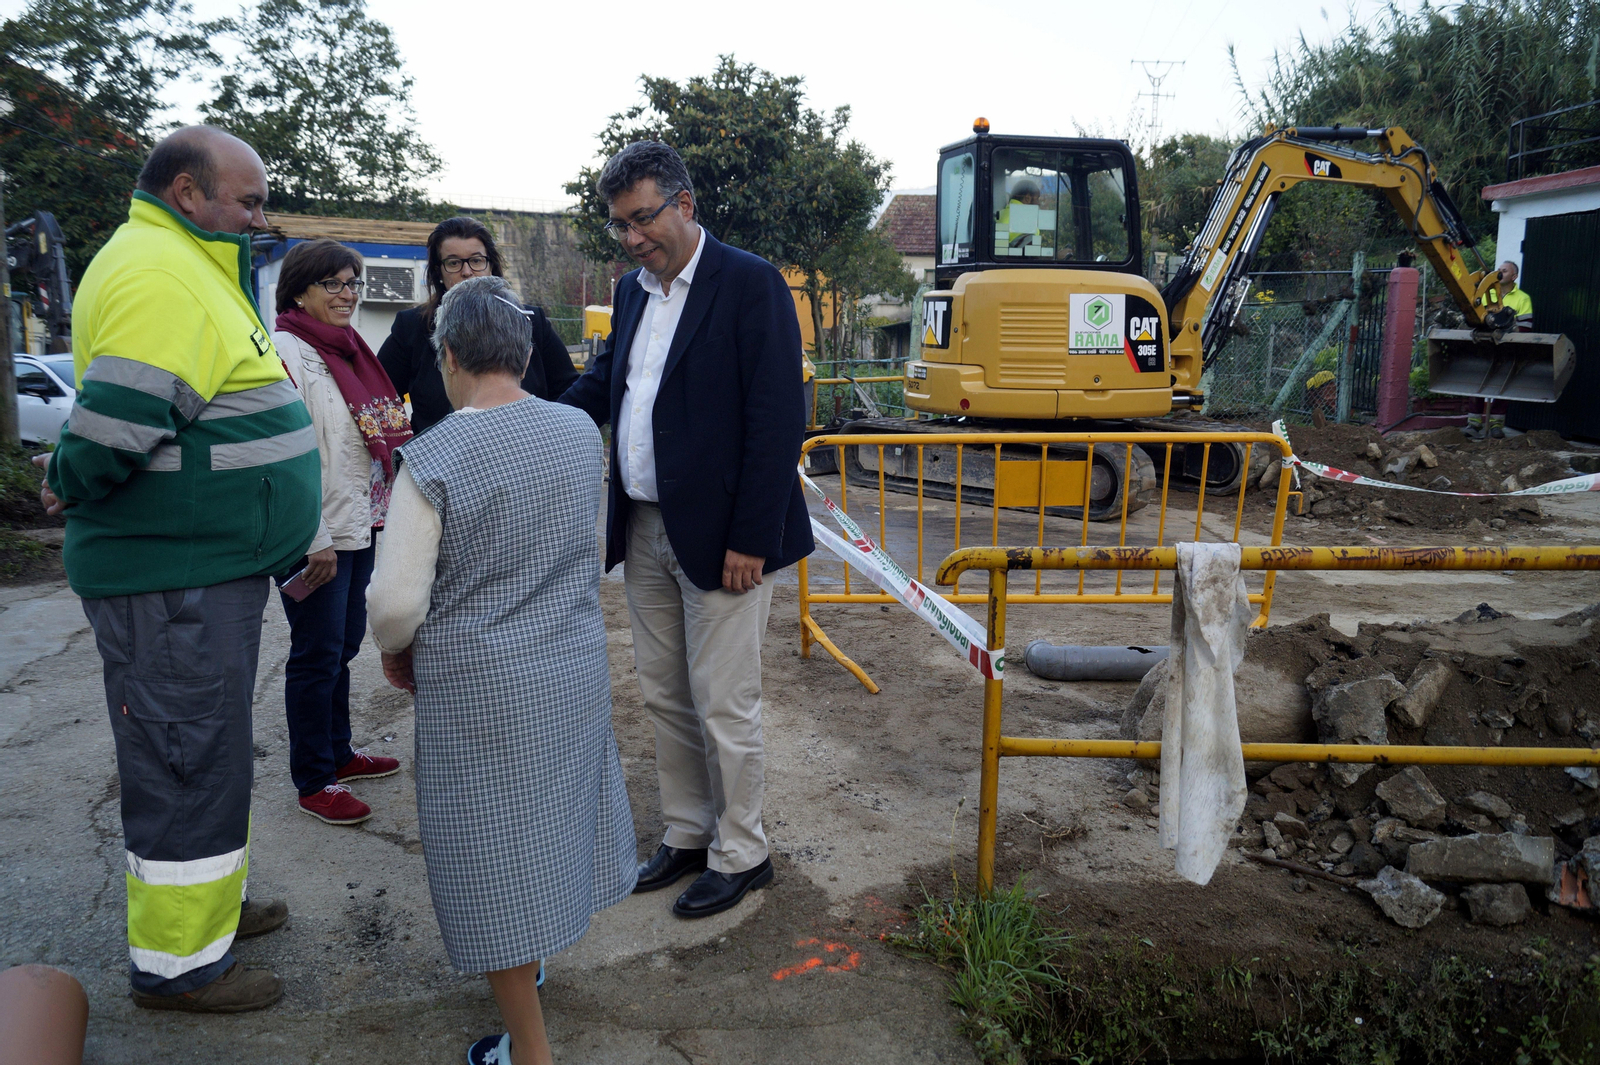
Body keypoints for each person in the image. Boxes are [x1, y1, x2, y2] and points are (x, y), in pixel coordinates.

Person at [37, 126, 319, 1012]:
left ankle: (214, 911)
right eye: (248, 199)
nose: (259, 216)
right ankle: (182, 967)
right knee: (186, 758)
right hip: (172, 579)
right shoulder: (162, 272)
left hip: (200, 571)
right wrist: (65, 479)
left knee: (211, 749)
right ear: (190, 191)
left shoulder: (187, 260)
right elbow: (116, 424)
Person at [367, 276, 635, 1065]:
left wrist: (393, 649)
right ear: (521, 352)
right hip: (571, 664)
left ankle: (530, 1051)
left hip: (480, 684)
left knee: (487, 851)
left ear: (449, 355)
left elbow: (394, 605)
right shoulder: (577, 432)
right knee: (549, 822)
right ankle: (537, 958)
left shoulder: (436, 456)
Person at [559, 141, 812, 920]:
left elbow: (777, 419)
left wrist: (752, 537)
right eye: (621, 226)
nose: (633, 238)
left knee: (724, 700)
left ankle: (744, 851)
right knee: (666, 693)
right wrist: (533, 418)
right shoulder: (635, 292)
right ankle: (688, 831)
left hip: (726, 537)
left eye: (643, 219)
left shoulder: (750, 283)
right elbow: (610, 384)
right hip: (642, 525)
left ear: (685, 205)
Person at [272, 239, 408, 826]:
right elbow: (282, 454)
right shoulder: (286, 351)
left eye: (352, 282)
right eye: (332, 283)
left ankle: (338, 753)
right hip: (317, 532)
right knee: (315, 653)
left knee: (344, 646)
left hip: (360, 522)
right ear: (299, 289)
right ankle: (314, 778)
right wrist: (311, 537)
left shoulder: (352, 349)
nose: (347, 294)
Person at [377, 216, 578, 434]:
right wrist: (406, 450)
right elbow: (377, 399)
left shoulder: (529, 320)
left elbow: (570, 392)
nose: (467, 272)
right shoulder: (412, 327)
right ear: (438, 273)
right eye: (453, 263)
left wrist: (550, 434)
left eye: (476, 260)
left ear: (491, 265)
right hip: (440, 461)